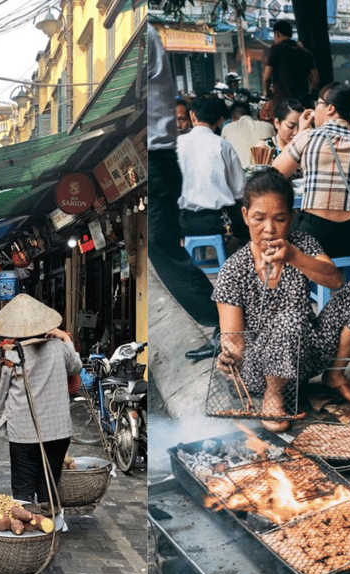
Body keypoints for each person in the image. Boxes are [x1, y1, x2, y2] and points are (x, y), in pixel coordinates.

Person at [212, 170, 350, 433]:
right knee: (288, 317)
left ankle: (335, 375)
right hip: (260, 369)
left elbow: (335, 281)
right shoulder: (233, 270)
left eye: (279, 218)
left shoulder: (301, 244)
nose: (269, 229)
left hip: (306, 354)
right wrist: (229, 357)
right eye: (259, 218)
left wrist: (293, 256)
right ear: (245, 216)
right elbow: (234, 338)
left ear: (291, 218)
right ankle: (273, 396)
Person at [146, 25, 220, 360]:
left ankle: (225, 320)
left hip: (157, 157)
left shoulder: (139, 35)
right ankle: (223, 320)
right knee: (160, 247)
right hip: (155, 158)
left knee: (160, 246)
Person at [0, 294, 81, 505]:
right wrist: (66, 339)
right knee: (49, 488)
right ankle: (50, 530)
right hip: (57, 432)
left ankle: (28, 533)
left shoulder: (9, 354)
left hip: (24, 435)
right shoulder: (59, 348)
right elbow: (76, 367)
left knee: (23, 490)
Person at [272, 83, 350, 260]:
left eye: (317, 103)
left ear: (330, 108)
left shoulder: (308, 137)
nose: (314, 109)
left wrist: (301, 131)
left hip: (316, 237)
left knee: (283, 231)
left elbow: (276, 172)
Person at [177, 93, 247, 240]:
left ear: (192, 115)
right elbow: (239, 190)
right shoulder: (223, 145)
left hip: (183, 223)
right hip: (218, 222)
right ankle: (230, 259)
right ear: (219, 120)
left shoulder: (176, 145)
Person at [263, 21, 319, 108]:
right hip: (303, 103)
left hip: (282, 103)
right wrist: (309, 94)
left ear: (277, 34)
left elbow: (267, 77)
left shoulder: (275, 49)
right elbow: (315, 79)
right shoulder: (306, 53)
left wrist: (266, 92)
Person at [221, 102, 276, 168]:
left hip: (238, 174)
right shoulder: (268, 126)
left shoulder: (227, 129)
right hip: (263, 174)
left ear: (233, 118)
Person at [261, 99, 304, 180]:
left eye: (300, 127)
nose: (296, 132)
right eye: (290, 127)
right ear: (277, 123)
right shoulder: (264, 148)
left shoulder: (303, 147)